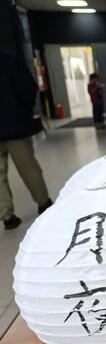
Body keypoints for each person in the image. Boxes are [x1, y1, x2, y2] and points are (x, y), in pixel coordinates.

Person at [0, 50, 53, 230]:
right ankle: (43, 203)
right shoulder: (9, 60)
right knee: (28, 167)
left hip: (13, 124)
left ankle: (7, 216)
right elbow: (28, 89)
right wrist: (24, 112)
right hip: (15, 126)